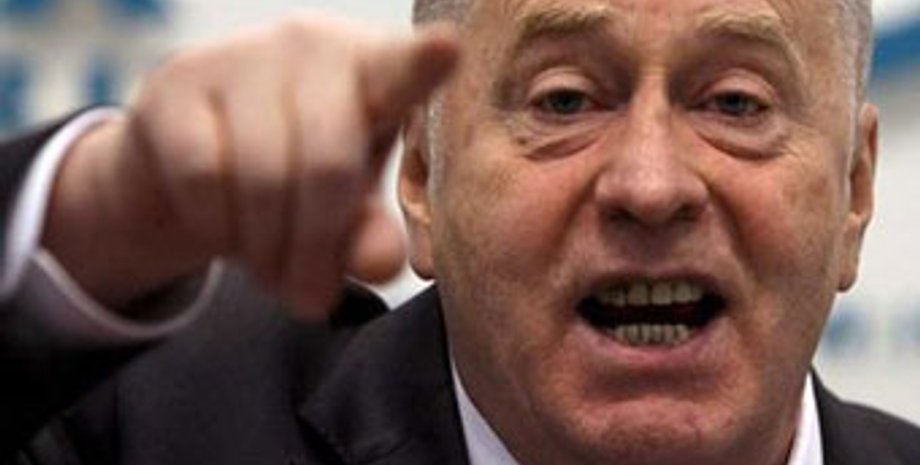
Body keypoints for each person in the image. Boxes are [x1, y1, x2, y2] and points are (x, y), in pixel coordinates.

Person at [1, 0, 919, 463]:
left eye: (736, 103)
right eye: (565, 100)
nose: (650, 185)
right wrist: (98, 214)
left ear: (854, 191)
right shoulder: (150, 428)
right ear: (420, 177)